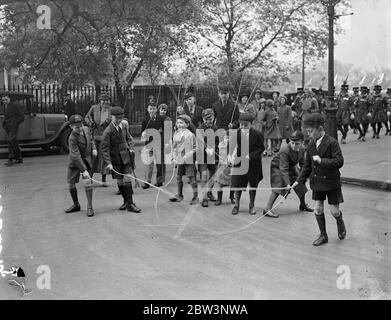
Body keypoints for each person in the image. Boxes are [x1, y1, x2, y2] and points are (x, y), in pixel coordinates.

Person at [291, 113, 346, 246]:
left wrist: (322, 161)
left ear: (320, 128)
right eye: (307, 131)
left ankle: (339, 220)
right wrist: (299, 180)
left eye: (310, 131)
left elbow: (339, 161)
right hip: (317, 182)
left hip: (332, 182)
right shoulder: (310, 145)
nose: (308, 134)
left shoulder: (332, 142)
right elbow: (307, 166)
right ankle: (323, 235)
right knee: (318, 209)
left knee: (334, 211)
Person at [263, 131, 313, 218]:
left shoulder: (302, 149)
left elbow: (303, 163)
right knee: (279, 186)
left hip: (291, 166)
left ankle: (303, 205)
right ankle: (267, 209)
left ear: (302, 142)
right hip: (278, 166)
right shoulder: (285, 150)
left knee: (300, 183)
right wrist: (287, 183)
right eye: (292, 143)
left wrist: (303, 176)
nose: (294, 146)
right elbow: (283, 169)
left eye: (297, 144)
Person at [101, 106, 141, 213]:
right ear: (111, 117)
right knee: (120, 181)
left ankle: (130, 204)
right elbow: (104, 149)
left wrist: (131, 148)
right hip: (115, 160)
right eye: (116, 118)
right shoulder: (108, 131)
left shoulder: (123, 126)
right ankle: (126, 201)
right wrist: (108, 163)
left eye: (120, 118)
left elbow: (129, 138)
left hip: (126, 157)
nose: (118, 120)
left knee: (128, 179)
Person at [230, 112, 265, 215]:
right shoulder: (236, 133)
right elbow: (231, 147)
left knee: (253, 185)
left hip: (253, 164)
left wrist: (250, 155)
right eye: (241, 125)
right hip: (239, 163)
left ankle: (252, 205)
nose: (243, 127)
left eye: (246, 125)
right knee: (237, 184)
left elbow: (261, 148)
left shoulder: (258, 134)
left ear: (251, 124)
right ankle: (236, 205)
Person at [65, 115, 97, 217]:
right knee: (71, 184)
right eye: (76, 127)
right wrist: (84, 170)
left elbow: (91, 140)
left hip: (86, 160)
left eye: (81, 125)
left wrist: (94, 148)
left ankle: (89, 206)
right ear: (71, 127)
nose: (79, 128)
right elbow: (76, 156)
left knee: (88, 183)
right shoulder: (72, 138)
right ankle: (76, 205)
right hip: (75, 162)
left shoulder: (86, 129)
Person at [169, 114, 199, 204]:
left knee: (191, 178)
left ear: (187, 124)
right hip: (179, 159)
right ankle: (179, 195)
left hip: (188, 160)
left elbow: (196, 147)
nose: (179, 125)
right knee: (178, 177)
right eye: (178, 123)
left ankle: (195, 197)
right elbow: (174, 146)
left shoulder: (191, 135)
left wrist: (188, 155)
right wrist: (173, 157)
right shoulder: (176, 134)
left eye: (182, 123)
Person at [84, 91, 112, 186]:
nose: (105, 102)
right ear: (99, 101)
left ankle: (103, 179)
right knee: (93, 157)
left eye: (106, 100)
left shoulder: (111, 110)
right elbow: (87, 117)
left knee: (104, 158)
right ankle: (90, 178)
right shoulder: (94, 108)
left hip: (106, 136)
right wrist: (90, 123)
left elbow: (115, 121)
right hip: (95, 136)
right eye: (103, 100)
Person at [196, 108, 219, 207]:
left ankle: (209, 192)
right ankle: (204, 198)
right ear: (203, 119)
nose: (209, 121)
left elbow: (218, 141)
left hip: (213, 156)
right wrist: (206, 148)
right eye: (206, 119)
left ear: (213, 118)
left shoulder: (215, 128)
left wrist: (216, 148)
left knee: (213, 176)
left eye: (210, 119)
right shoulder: (200, 129)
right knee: (204, 176)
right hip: (202, 156)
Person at [140, 100, 164, 188]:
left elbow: (163, 131)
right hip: (149, 144)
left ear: (156, 109)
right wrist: (144, 134)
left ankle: (159, 181)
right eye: (150, 108)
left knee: (159, 163)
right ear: (147, 109)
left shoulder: (160, 118)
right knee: (149, 163)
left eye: (154, 108)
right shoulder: (145, 119)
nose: (152, 110)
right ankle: (147, 182)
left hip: (158, 143)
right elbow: (142, 131)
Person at [1, 94, 24, 166]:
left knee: (10, 140)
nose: (4, 101)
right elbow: (7, 117)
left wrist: (15, 123)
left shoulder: (14, 105)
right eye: (3, 100)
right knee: (14, 142)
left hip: (13, 127)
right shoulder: (5, 106)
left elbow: (21, 117)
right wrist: (4, 125)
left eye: (6, 99)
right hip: (8, 127)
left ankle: (11, 158)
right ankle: (19, 158)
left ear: (9, 99)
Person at [214, 130, 233, 206]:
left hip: (231, 167)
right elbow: (222, 152)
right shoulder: (221, 145)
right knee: (220, 183)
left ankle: (232, 196)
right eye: (226, 138)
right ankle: (219, 199)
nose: (228, 139)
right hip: (222, 166)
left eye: (230, 138)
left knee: (233, 183)